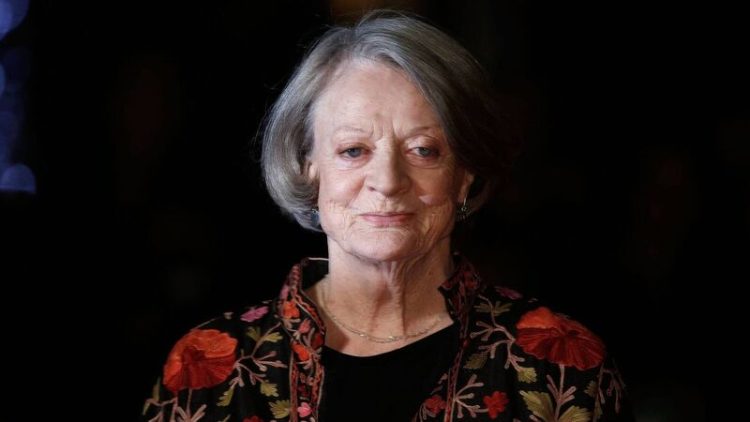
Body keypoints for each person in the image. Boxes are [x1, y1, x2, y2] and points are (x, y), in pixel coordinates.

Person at [141, 10, 633, 422]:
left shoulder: (562, 365)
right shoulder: (210, 367)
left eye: (423, 150)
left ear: (463, 174)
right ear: (309, 168)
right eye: (354, 150)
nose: (389, 179)